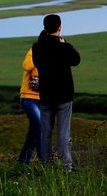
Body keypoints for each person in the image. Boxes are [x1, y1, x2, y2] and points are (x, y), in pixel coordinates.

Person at [31, 14, 81, 171]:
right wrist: (65, 43)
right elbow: (76, 60)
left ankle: (46, 164)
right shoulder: (63, 47)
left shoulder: (37, 47)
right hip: (64, 95)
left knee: (45, 132)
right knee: (63, 133)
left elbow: (37, 62)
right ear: (60, 27)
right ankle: (67, 166)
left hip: (46, 94)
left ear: (45, 28)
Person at [17, 48, 42, 163]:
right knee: (41, 127)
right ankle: (46, 161)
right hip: (29, 97)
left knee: (34, 130)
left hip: (43, 99)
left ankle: (23, 160)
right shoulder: (34, 51)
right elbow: (26, 66)